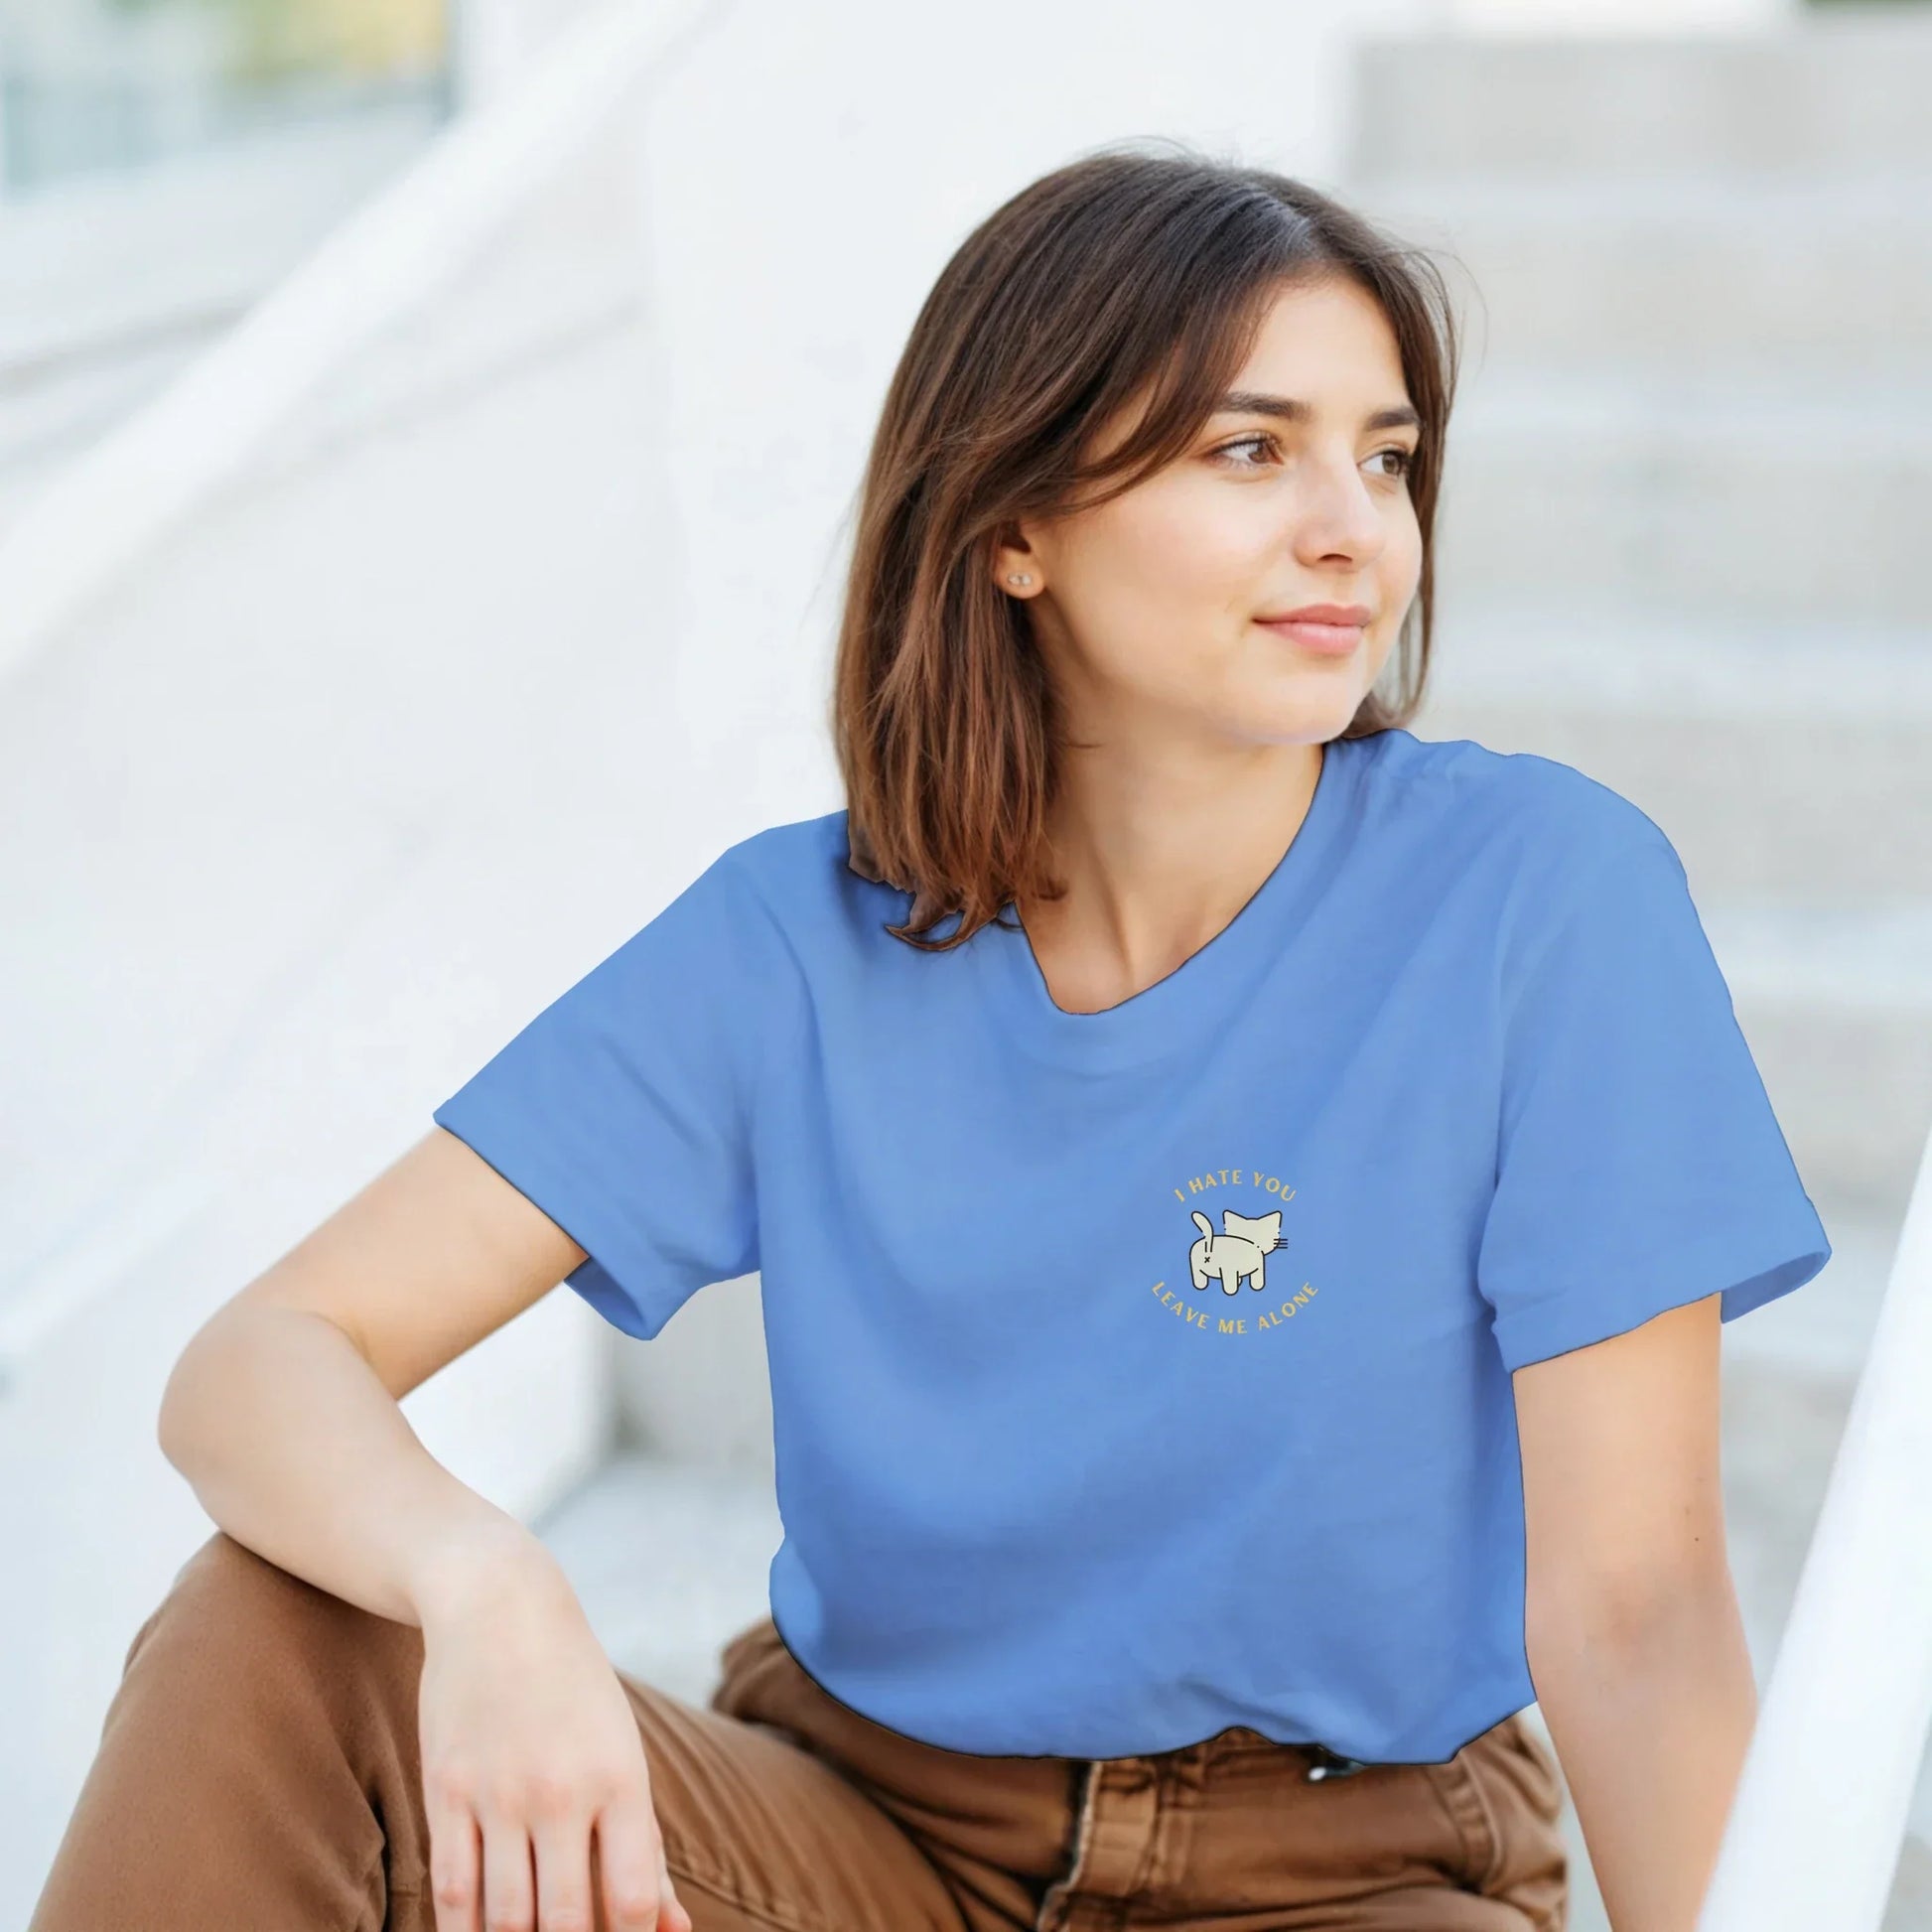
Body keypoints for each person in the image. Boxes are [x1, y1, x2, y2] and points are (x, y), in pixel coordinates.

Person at [30, 143, 1832, 1932]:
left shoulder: (1540, 897)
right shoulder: (794, 945)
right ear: (1013, 525)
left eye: (1384, 456)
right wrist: (480, 1576)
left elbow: (1634, 1610)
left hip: (1347, 1869)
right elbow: (263, 1356)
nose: (1351, 529)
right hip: (860, 1831)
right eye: (1247, 449)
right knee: (274, 1633)